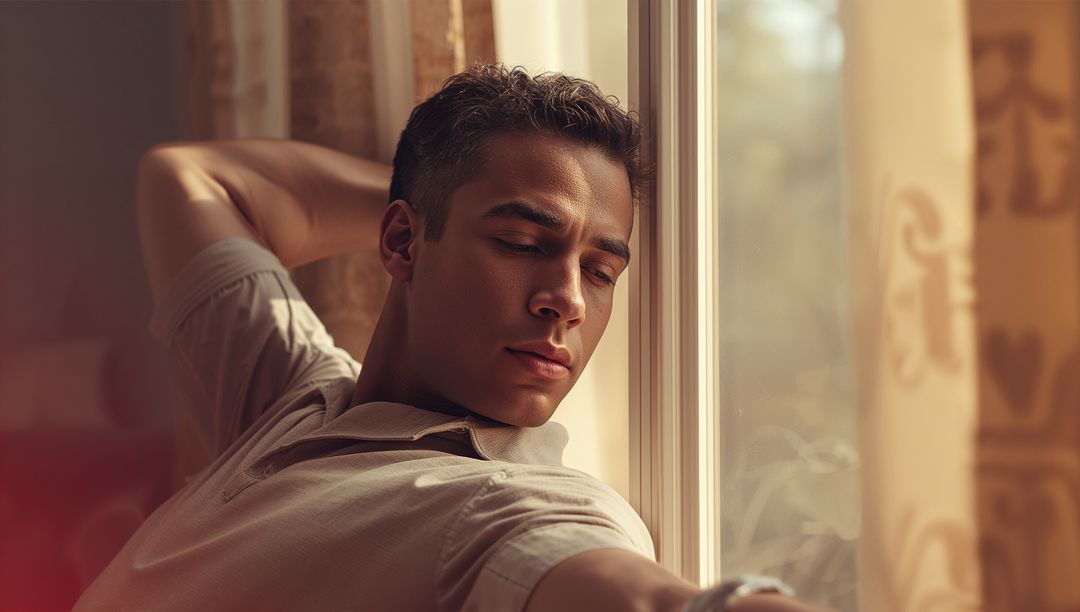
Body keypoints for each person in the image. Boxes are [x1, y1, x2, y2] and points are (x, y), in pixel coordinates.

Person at [75, 64, 817, 612]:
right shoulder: (288, 393)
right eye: (523, 241)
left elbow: (631, 593)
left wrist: (465, 213)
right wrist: (433, 200)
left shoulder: (503, 507)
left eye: (599, 270)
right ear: (398, 244)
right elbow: (195, 178)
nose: (567, 301)